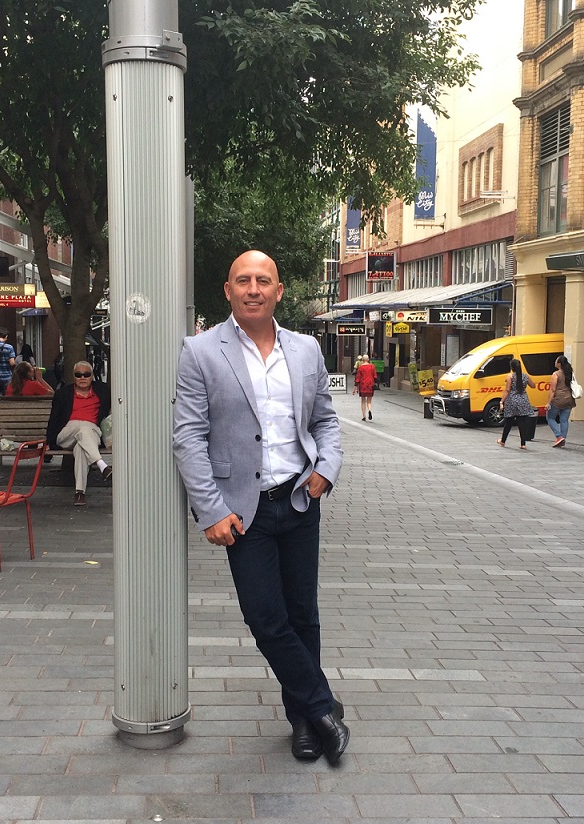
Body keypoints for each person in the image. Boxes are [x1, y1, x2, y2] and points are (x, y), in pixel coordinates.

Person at [172, 249, 348, 766]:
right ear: (227, 290)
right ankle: (321, 705)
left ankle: (305, 723)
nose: (253, 288)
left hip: (298, 499)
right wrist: (209, 509)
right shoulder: (201, 351)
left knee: (303, 615)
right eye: (243, 280)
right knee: (265, 617)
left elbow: (326, 422)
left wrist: (324, 472)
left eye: (263, 280)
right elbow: (188, 436)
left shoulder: (306, 350)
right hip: (241, 511)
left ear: (279, 291)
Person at [45, 361, 111, 506]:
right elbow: (54, 419)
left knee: (81, 445)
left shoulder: (103, 391)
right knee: (81, 425)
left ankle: (80, 493)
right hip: (66, 434)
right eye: (78, 374)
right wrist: (48, 443)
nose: (82, 377)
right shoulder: (63, 394)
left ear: (92, 376)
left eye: (86, 374)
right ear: (74, 377)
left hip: (90, 436)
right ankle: (101, 465)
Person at [496, 358, 537, 449]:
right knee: (521, 422)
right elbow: (533, 385)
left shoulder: (510, 376)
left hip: (512, 401)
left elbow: (507, 390)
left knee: (509, 422)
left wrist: (501, 401)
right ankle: (523, 444)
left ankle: (503, 441)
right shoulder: (525, 376)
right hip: (523, 400)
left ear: (511, 367)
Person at [546, 355, 576, 447]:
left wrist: (548, 402)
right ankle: (563, 438)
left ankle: (559, 437)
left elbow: (553, 390)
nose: (555, 363)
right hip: (569, 399)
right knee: (564, 420)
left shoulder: (556, 374)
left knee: (550, 418)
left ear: (559, 364)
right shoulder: (570, 372)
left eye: (556, 361)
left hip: (558, 400)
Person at [353, 354, 377, 421]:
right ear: (368, 359)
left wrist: (355, 387)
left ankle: (364, 416)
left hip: (363, 385)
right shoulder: (372, 367)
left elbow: (358, 378)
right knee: (369, 401)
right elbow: (375, 376)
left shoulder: (360, 367)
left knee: (363, 401)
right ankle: (369, 410)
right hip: (370, 385)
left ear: (363, 360)